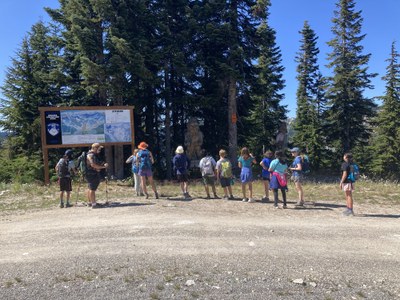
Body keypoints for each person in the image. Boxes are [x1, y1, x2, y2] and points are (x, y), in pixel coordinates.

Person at [85, 143, 109, 209]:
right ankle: (94, 204)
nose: (100, 150)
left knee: (90, 188)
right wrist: (103, 167)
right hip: (92, 174)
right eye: (99, 148)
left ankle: (90, 202)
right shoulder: (91, 155)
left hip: (89, 173)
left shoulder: (89, 154)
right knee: (92, 189)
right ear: (95, 148)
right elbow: (93, 165)